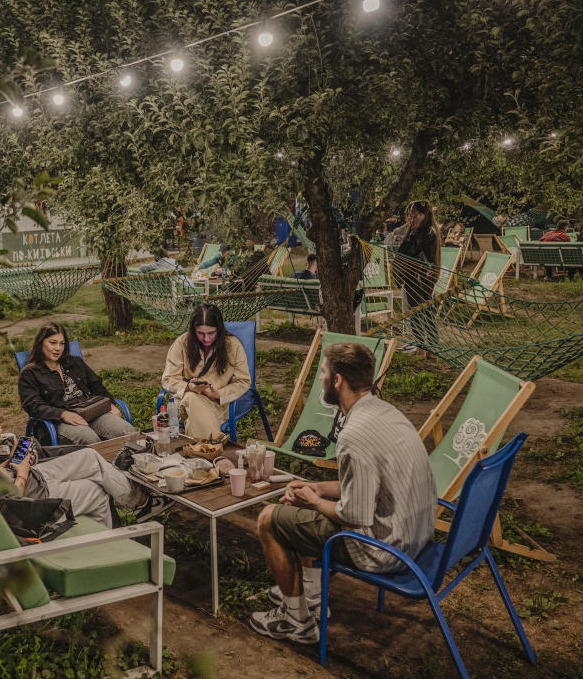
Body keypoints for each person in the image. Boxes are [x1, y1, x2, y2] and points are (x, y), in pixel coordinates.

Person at [249, 342, 436, 645]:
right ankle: (310, 597)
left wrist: (313, 500)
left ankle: (296, 621)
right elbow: (371, 486)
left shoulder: (354, 434)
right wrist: (318, 488)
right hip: (414, 533)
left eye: (323, 372)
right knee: (302, 514)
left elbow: (354, 514)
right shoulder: (386, 412)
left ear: (337, 380)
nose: (321, 378)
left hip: (383, 550)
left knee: (269, 519)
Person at [0, 398, 167, 526]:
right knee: (96, 490)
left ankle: (140, 501)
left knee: (90, 457)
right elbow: (12, 499)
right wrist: (22, 471)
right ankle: (138, 509)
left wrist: (11, 463)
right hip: (35, 495)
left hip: (36, 480)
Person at [18, 323, 138, 445]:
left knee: (128, 432)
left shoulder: (74, 362)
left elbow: (96, 385)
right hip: (58, 421)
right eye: (52, 342)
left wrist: (110, 403)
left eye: (62, 343)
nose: (58, 348)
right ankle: (103, 464)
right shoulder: (30, 373)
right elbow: (33, 405)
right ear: (41, 343)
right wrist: (62, 414)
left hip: (91, 411)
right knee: (89, 440)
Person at [161, 304, 250, 441]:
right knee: (191, 397)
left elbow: (243, 381)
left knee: (192, 423)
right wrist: (187, 387)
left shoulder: (233, 345)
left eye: (211, 333)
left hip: (216, 405)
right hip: (184, 404)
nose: (206, 339)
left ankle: (204, 451)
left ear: (219, 330)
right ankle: (216, 442)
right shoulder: (182, 343)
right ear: (193, 330)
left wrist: (218, 394)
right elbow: (167, 379)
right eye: (200, 333)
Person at [396, 201, 441, 344]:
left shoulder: (428, 232)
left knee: (426, 312)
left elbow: (412, 251)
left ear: (425, 215)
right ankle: (421, 346)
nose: (413, 217)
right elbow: (401, 252)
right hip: (412, 277)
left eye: (417, 214)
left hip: (423, 278)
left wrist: (410, 238)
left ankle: (433, 346)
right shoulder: (414, 231)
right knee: (415, 313)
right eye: (411, 214)